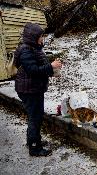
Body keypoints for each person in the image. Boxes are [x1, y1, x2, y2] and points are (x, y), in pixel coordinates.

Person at [14, 22, 62, 157]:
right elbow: (33, 70)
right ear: (32, 36)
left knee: (36, 116)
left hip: (34, 88)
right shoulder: (26, 50)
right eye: (40, 36)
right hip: (28, 90)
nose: (42, 39)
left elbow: (40, 66)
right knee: (35, 118)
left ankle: (33, 141)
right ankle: (35, 148)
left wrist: (53, 69)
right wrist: (51, 66)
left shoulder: (34, 47)